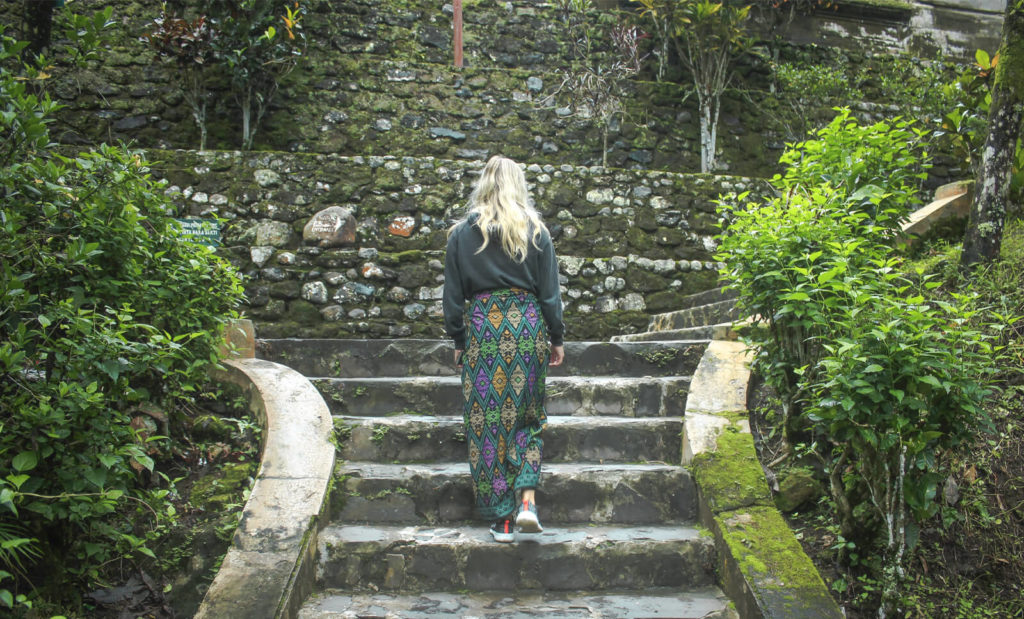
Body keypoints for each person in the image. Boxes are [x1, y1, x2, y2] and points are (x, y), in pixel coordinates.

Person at [443, 155, 565, 543]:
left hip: (484, 329)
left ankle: (504, 519)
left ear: (483, 184)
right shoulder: (536, 232)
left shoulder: (462, 234)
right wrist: (556, 337)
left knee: (489, 425)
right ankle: (527, 501)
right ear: (519, 185)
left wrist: (460, 340)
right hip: (527, 327)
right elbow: (549, 295)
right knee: (528, 418)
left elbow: (452, 299)